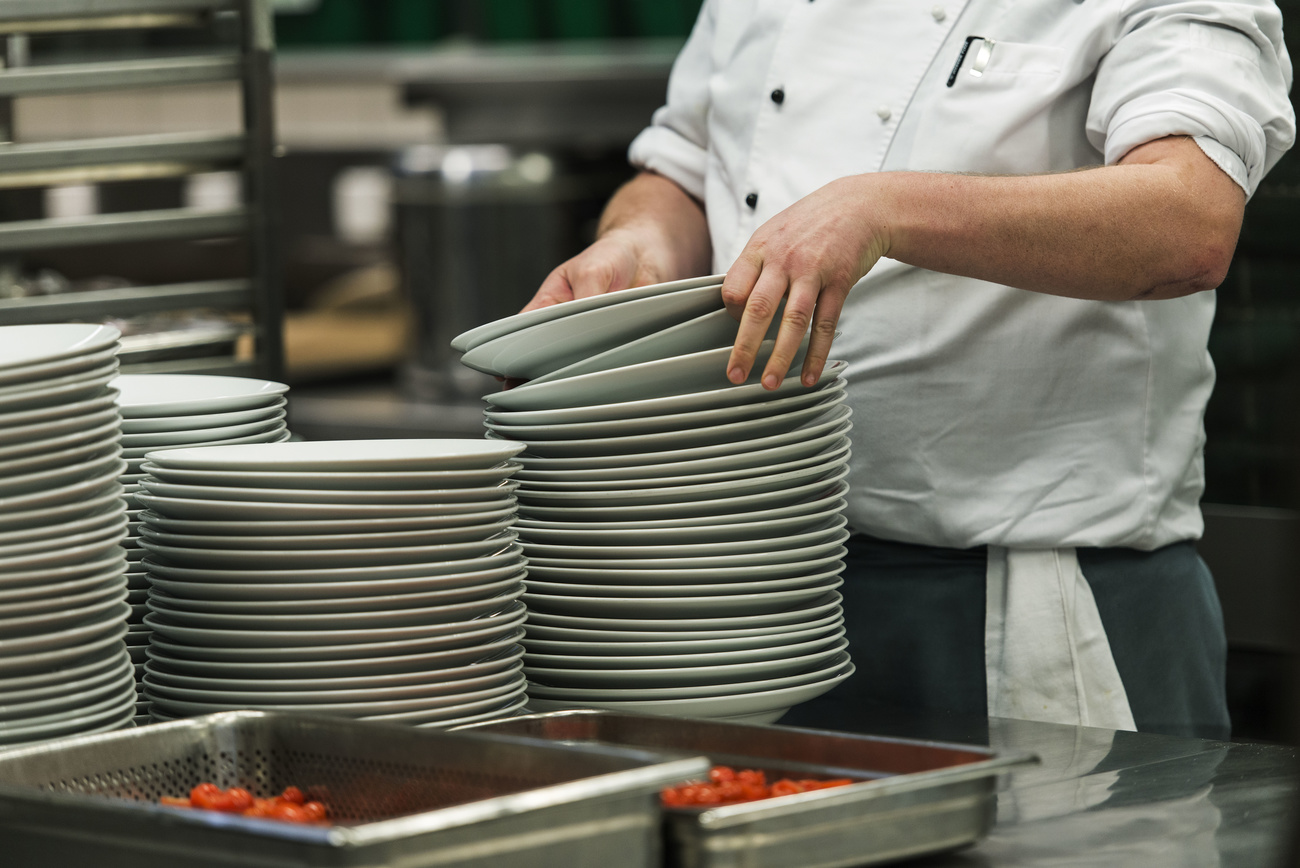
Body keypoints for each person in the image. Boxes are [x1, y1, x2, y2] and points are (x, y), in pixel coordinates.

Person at [521, 1, 1296, 739]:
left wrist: (881, 210)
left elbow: (1188, 218)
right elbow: (687, 170)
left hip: (1035, 599)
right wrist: (639, 241)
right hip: (757, 576)